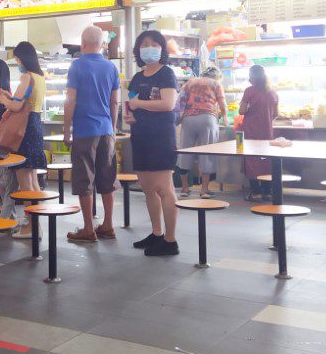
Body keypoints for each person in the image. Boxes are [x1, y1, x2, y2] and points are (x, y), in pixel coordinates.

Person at [63, 26, 120, 242]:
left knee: (84, 179)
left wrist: (66, 130)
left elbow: (70, 100)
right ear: (101, 44)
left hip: (84, 131)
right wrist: (112, 129)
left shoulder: (77, 66)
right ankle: (108, 225)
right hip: (106, 130)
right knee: (107, 178)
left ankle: (88, 228)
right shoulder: (111, 67)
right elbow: (115, 101)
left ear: (83, 43)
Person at [126, 30, 179, 256]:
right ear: (138, 49)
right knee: (148, 188)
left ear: (162, 48)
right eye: (144, 44)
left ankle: (170, 240)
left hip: (161, 137)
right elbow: (130, 103)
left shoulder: (167, 73)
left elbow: (168, 104)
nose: (148, 47)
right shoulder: (138, 77)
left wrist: (139, 104)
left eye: (154, 43)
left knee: (164, 188)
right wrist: (130, 112)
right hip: (140, 136)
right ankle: (156, 234)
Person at [0, 41, 47, 238]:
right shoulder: (39, 77)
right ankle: (35, 225)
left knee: (25, 181)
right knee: (32, 180)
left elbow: (16, 107)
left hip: (23, 131)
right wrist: (10, 97)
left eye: (17, 60)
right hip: (34, 126)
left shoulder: (26, 77)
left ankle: (30, 227)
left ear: (23, 59)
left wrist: (3, 100)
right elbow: (21, 101)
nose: (17, 63)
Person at [177, 66, 227, 198]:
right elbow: (222, 103)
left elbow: (180, 100)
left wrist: (178, 117)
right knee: (207, 153)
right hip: (207, 119)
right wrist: (225, 117)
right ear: (217, 76)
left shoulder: (191, 82)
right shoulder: (216, 84)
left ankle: (185, 189)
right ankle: (204, 190)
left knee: (185, 152)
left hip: (188, 119)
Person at [240, 65, 279, 202]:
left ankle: (256, 192)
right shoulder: (272, 92)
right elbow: (276, 114)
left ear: (252, 77)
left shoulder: (249, 91)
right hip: (267, 131)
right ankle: (267, 192)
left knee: (252, 161)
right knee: (266, 160)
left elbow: (241, 111)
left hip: (251, 131)